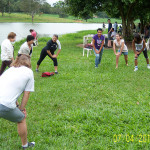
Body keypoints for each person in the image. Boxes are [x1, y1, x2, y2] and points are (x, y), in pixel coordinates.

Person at [0, 54, 35, 149]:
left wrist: (17, 105)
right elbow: (26, 94)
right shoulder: (29, 72)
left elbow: (8, 89)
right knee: (21, 119)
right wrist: (21, 109)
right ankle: (25, 145)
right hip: (4, 105)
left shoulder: (10, 70)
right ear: (29, 63)